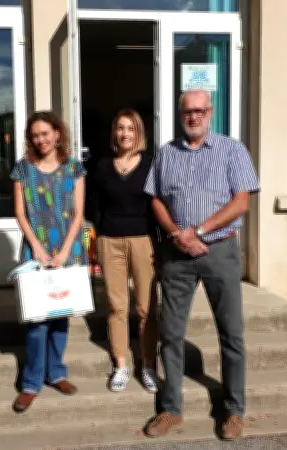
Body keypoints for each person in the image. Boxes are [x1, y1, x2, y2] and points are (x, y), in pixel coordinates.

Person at [142, 89, 260, 440]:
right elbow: (156, 201)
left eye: (199, 111)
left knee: (232, 334)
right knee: (171, 334)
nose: (193, 117)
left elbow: (241, 203)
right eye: (186, 112)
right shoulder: (166, 154)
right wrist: (178, 234)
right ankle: (171, 409)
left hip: (220, 252)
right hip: (177, 255)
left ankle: (234, 410)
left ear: (210, 112)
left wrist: (200, 230)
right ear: (180, 116)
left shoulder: (232, 149)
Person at [10, 111, 87, 413]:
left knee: (60, 315)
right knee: (37, 321)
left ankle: (56, 373)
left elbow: (79, 213)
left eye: (46, 133)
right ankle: (31, 383)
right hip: (36, 250)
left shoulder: (74, 169)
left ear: (58, 134)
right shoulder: (22, 170)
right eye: (35, 135)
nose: (40, 139)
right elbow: (19, 213)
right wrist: (37, 248)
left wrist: (66, 250)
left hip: (67, 248)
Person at [93, 109, 159, 393]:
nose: (125, 134)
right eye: (120, 128)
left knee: (146, 307)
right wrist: (98, 239)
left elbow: (158, 205)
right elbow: (94, 206)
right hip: (111, 241)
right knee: (117, 306)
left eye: (130, 128)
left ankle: (147, 365)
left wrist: (159, 243)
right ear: (114, 133)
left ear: (139, 133)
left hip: (143, 240)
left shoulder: (150, 165)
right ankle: (120, 365)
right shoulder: (102, 167)